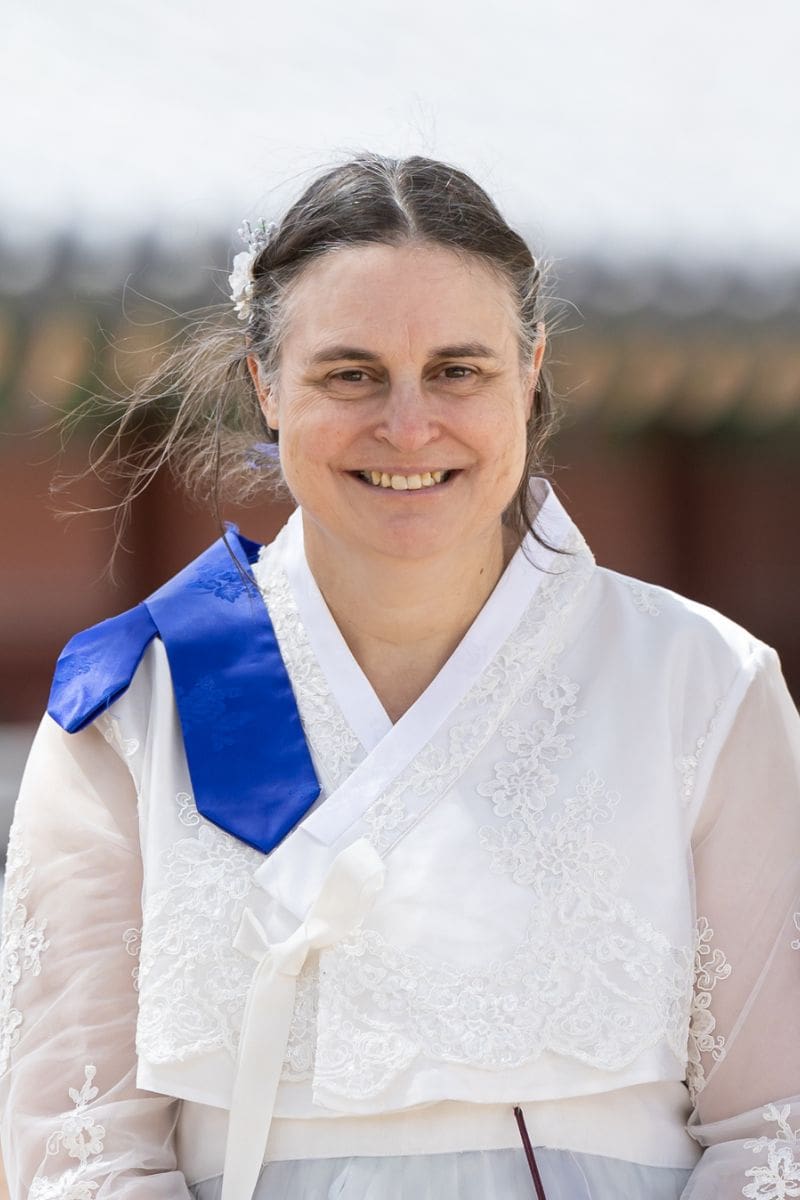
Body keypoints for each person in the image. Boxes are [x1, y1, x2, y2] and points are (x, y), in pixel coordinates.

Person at [1, 154, 799, 1200]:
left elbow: (773, 1131)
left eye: (458, 370)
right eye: (351, 373)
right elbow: (78, 1149)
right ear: (265, 386)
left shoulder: (702, 687)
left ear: (529, 374)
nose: (408, 426)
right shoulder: (130, 709)